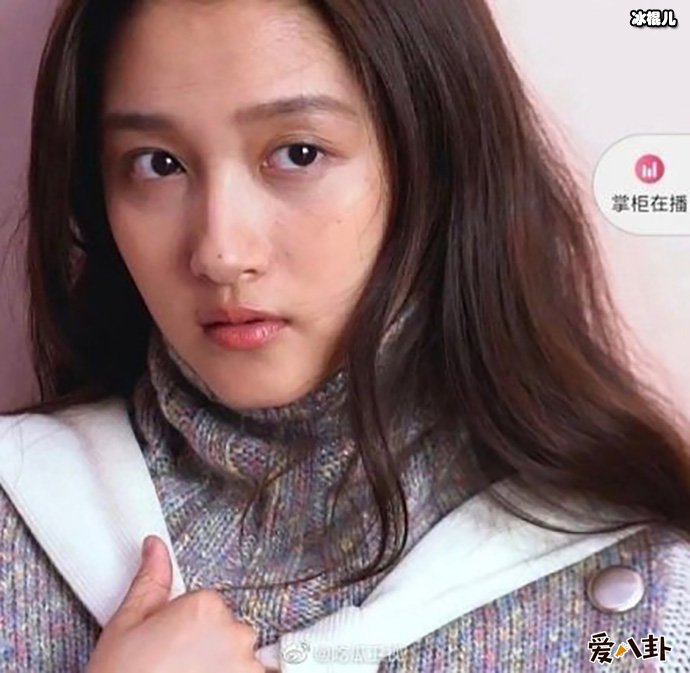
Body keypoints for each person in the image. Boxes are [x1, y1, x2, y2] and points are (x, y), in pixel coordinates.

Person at [1, 0, 689, 671]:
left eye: (298, 153)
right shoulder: (21, 519)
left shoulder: (645, 612)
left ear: (436, 164)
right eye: (157, 163)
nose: (221, 252)